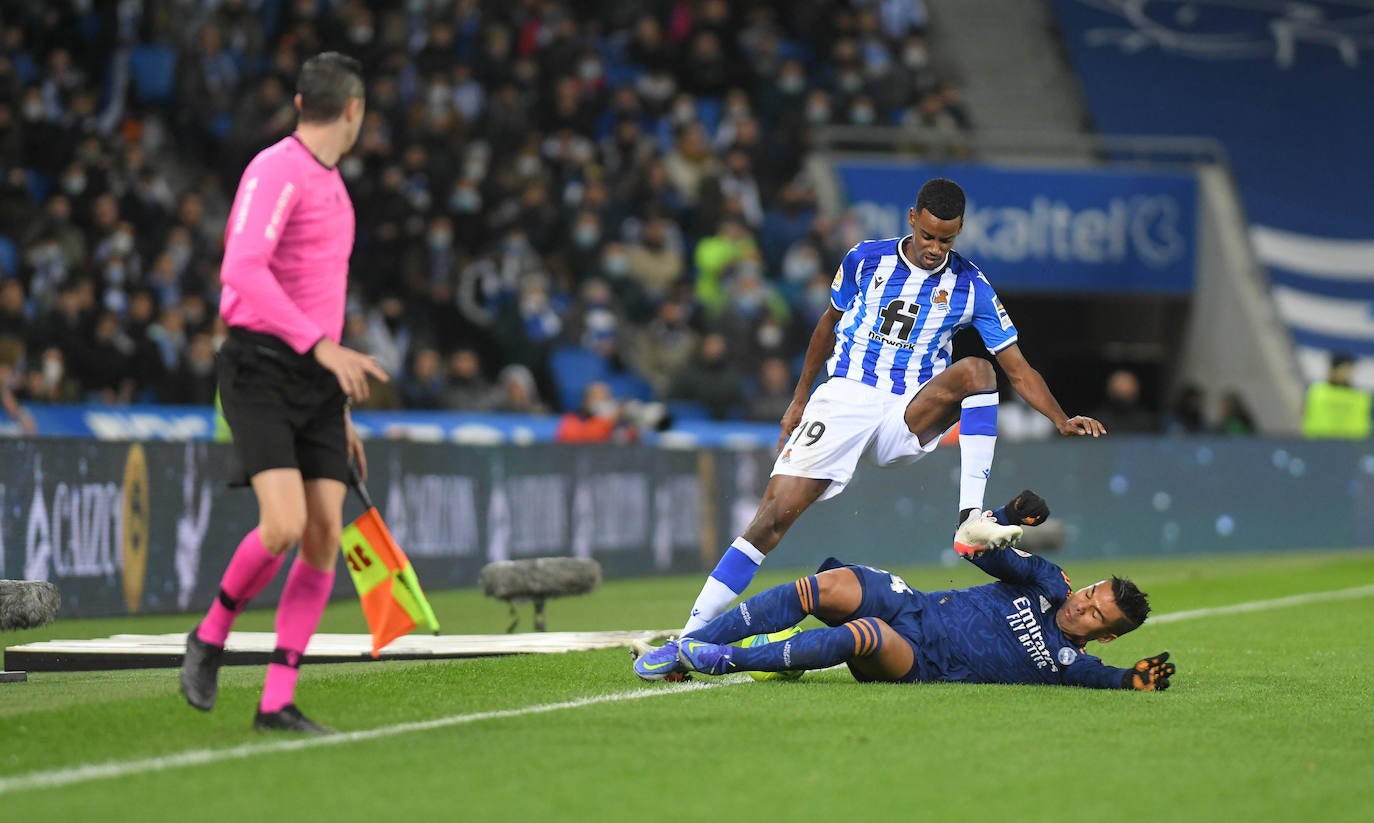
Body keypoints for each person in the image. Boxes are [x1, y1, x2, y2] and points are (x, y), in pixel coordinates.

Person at [635, 178, 1104, 678]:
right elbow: (826, 326)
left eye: (946, 240)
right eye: (928, 236)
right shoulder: (865, 259)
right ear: (912, 218)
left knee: (979, 371)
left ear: (960, 231)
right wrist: (798, 401)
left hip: (908, 413)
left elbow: (1018, 368)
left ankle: (970, 516)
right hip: (844, 398)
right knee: (769, 521)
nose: (934, 248)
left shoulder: (973, 287)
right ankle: (687, 642)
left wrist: (1059, 417)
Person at [179, 53, 388, 734]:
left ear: (303, 100)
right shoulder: (276, 169)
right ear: (353, 111)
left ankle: (276, 699)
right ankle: (209, 636)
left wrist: (342, 404)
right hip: (262, 367)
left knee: (326, 534)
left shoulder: (335, 189)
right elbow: (241, 269)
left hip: (319, 381)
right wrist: (321, 347)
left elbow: (322, 301)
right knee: (284, 525)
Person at [659, 510, 1176, 691]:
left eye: (1094, 614)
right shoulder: (1048, 582)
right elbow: (974, 547)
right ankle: (686, 646)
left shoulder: (1069, 663)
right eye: (1090, 594)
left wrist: (1129, 679)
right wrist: (1004, 517)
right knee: (826, 585)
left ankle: (724, 661)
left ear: (1104, 634)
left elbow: (1102, 677)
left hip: (920, 660)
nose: (1081, 606)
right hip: (920, 608)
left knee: (864, 636)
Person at [1301, 353, 1371, 439]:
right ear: (1332, 370)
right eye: (1343, 369)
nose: (1348, 373)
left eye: (1350, 369)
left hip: (1351, 446)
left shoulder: (1361, 397)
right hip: (1320, 443)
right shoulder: (1316, 392)